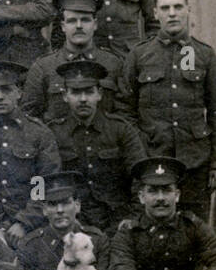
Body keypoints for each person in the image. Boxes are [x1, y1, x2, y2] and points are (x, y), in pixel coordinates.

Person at [120, 0, 216, 220]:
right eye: (165, 8)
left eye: (178, 7)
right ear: (155, 13)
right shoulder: (139, 55)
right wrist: (139, 153)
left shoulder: (203, 55)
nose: (172, 13)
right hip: (152, 161)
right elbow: (125, 111)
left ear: (188, 11)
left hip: (195, 165)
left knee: (195, 234)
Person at [0, 61, 61, 244]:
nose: (0, 97)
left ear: (18, 93)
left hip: (31, 228)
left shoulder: (39, 133)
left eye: (6, 90)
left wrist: (24, 223)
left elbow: (45, 183)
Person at [48, 61, 146, 230]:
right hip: (72, 222)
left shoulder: (120, 129)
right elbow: (45, 179)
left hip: (117, 221)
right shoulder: (53, 133)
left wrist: (134, 217)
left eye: (89, 92)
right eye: (76, 93)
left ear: (99, 94)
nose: (83, 99)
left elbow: (141, 176)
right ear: (65, 95)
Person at [21, 0, 128, 122]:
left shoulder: (114, 64)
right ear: (63, 26)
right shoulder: (43, 68)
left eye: (85, 20)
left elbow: (124, 114)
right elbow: (29, 119)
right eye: (72, 20)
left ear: (94, 24)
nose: (79, 26)